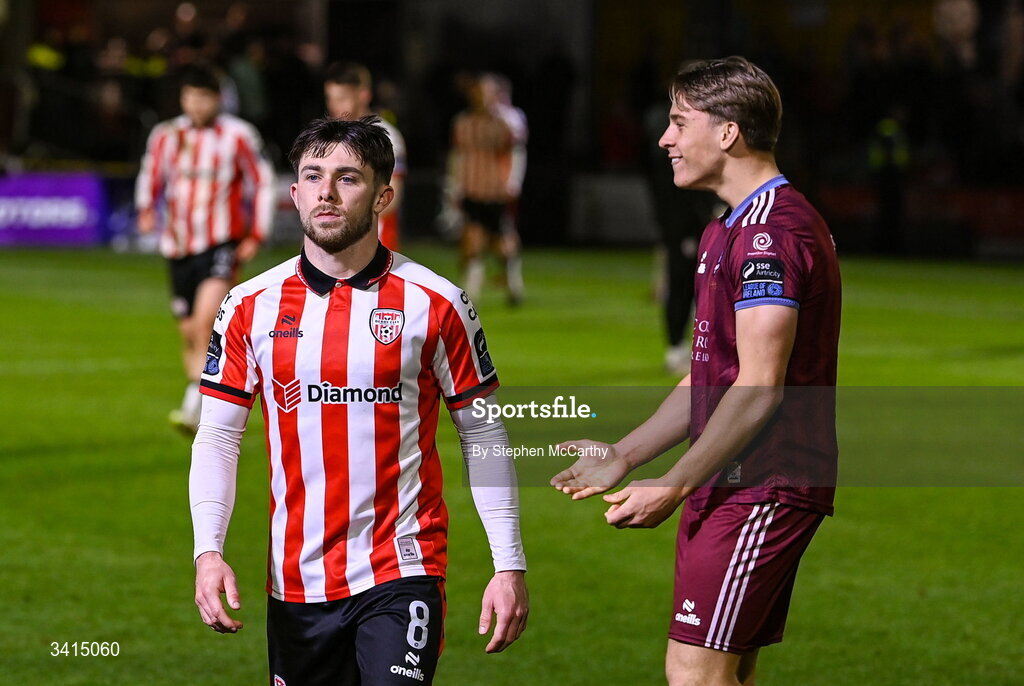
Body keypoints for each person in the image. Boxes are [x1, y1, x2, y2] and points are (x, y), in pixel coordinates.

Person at [190, 116, 529, 685]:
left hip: (403, 565)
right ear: (293, 193)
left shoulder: (437, 302)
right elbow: (219, 435)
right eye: (312, 176)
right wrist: (208, 550)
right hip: (295, 576)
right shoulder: (249, 305)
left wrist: (508, 561)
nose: (326, 192)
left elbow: (483, 433)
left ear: (383, 196)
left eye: (347, 178)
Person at [551, 57, 841, 686]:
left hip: (765, 482)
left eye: (680, 123)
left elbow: (761, 387)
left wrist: (674, 483)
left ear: (728, 131)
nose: (665, 139)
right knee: (725, 674)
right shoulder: (725, 231)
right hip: (727, 476)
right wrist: (626, 455)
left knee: (694, 672)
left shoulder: (772, 235)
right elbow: (711, 378)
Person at [135, 64, 273, 434]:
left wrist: (257, 234)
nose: (196, 104)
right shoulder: (166, 135)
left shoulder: (238, 135)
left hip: (220, 242)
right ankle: (201, 403)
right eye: (190, 96)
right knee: (187, 331)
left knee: (206, 318)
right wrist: (146, 207)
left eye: (204, 96)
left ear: (217, 99)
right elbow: (151, 172)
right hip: (179, 244)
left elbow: (262, 181)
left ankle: (195, 406)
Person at [447, 73, 524, 305]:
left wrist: (513, 182)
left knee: (502, 241)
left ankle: (512, 279)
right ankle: (471, 292)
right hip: (471, 189)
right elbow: (457, 156)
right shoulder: (463, 123)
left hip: (496, 191)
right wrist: (453, 186)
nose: (482, 97)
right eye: (478, 92)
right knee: (471, 238)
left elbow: (516, 153)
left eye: (487, 92)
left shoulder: (506, 123)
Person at [324, 61, 407, 251]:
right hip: (334, 242)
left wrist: (347, 224)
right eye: (330, 98)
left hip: (374, 244)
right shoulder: (327, 137)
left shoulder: (385, 137)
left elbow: (393, 197)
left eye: (342, 98)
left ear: (363, 95)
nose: (333, 105)